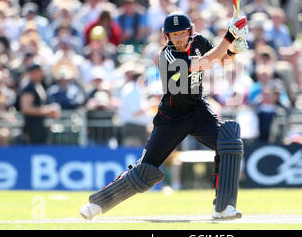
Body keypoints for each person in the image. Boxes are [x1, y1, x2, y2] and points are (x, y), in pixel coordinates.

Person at [80, 11, 249, 220]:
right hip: (171, 118)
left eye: (182, 33)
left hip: (198, 110)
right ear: (166, 36)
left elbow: (222, 61)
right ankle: (98, 203)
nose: (178, 38)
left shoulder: (199, 41)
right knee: (144, 171)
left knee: (229, 142)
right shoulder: (167, 56)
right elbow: (206, 63)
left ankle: (223, 207)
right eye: (173, 34)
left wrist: (234, 50)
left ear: (190, 31)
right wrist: (229, 37)